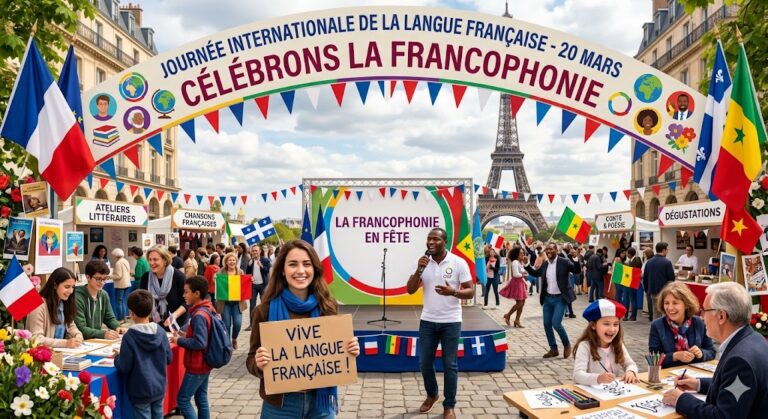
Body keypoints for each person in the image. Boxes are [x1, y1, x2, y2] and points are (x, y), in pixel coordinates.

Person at [247, 240, 360, 418]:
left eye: (306, 264)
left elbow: (335, 351)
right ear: (282, 270)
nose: (300, 271)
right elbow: (251, 359)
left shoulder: (327, 306)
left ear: (314, 269)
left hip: (320, 403)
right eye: (293, 264)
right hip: (280, 406)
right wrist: (259, 364)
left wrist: (350, 349)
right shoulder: (264, 311)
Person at [662, 282, 768, 417]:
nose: (701, 317)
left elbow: (723, 416)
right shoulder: (754, 339)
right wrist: (698, 384)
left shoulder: (739, 361)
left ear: (722, 316)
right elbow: (734, 387)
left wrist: (680, 399)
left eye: (704, 311)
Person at [406, 228, 473, 419]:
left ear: (445, 241)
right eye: (429, 239)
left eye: (435, 239)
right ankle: (432, 394)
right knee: (424, 362)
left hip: (451, 321)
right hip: (427, 320)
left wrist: (453, 292)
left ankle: (449, 405)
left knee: (449, 364)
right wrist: (419, 269)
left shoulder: (458, 262)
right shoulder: (422, 263)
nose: (431, 242)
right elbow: (410, 290)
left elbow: (470, 291)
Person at [114, 290, 173, 419]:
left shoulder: (129, 337)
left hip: (140, 389)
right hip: (159, 386)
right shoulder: (161, 332)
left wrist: (117, 357)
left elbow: (124, 366)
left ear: (131, 313)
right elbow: (169, 358)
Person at [170, 276, 216, 419]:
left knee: (183, 400)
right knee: (201, 398)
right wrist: (186, 333)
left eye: (186, 292)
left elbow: (200, 342)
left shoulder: (199, 315)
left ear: (197, 294)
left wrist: (179, 340)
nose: (184, 295)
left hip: (197, 364)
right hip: (205, 362)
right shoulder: (207, 308)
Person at [525, 243, 580, 359]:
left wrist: (575, 258)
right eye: (547, 249)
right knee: (546, 324)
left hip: (560, 298)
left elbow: (576, 270)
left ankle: (566, 344)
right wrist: (526, 264)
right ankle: (553, 348)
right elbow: (535, 273)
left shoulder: (564, 262)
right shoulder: (545, 264)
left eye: (551, 249)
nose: (548, 251)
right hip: (548, 298)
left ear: (556, 250)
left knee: (556, 323)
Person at [649, 282, 715, 368]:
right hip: (667, 377)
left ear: (686, 304)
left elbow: (712, 352)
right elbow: (653, 359)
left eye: (675, 303)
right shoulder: (657, 326)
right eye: (666, 303)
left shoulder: (699, 323)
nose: (670, 308)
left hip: (694, 375)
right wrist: (674, 356)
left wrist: (701, 353)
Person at [573, 300, 638, 385]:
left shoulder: (617, 344)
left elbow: (630, 364)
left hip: (613, 393)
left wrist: (631, 371)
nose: (612, 329)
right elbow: (577, 375)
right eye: (606, 324)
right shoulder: (585, 346)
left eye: (615, 324)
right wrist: (598, 378)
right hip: (592, 393)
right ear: (593, 325)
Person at [26, 267, 84, 348]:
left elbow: (71, 326)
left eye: (73, 287)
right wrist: (65, 343)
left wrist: (78, 336)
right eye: (67, 287)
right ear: (55, 285)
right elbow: (36, 339)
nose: (71, 291)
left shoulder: (64, 303)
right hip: (41, 355)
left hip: (60, 353)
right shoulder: (38, 305)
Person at [75, 260, 126, 339]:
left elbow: (109, 318)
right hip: (80, 341)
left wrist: (117, 327)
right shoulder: (78, 297)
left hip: (96, 342)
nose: (102, 282)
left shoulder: (103, 294)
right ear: (88, 277)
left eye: (105, 279)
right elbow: (80, 328)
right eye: (98, 279)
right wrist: (103, 334)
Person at [139, 245, 187, 327]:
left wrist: (173, 316)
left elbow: (187, 302)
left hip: (176, 325)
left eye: (155, 259)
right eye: (150, 259)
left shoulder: (178, 277)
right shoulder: (146, 277)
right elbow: (142, 301)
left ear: (165, 260)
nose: (151, 263)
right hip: (154, 325)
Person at [216, 252, 247, 350]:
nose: (232, 262)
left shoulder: (240, 272)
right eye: (230, 260)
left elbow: (244, 283)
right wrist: (215, 279)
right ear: (226, 262)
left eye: (233, 260)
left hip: (237, 303)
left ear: (236, 261)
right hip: (225, 303)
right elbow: (217, 284)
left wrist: (249, 281)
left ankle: (234, 338)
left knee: (237, 323)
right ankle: (228, 345)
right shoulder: (221, 272)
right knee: (227, 324)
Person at [642, 242, 675, 321]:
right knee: (665, 312)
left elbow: (645, 278)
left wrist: (647, 290)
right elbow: (671, 278)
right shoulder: (667, 262)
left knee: (656, 312)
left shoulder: (649, 262)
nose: (667, 251)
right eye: (667, 249)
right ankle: (665, 330)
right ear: (663, 250)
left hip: (652, 291)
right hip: (664, 292)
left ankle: (656, 329)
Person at [244, 244, 270, 332]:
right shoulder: (250, 261)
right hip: (253, 285)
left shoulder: (265, 260)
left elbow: (267, 271)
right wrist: (249, 265)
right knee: (252, 305)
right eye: (253, 251)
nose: (254, 252)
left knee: (264, 304)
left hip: (263, 285)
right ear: (251, 252)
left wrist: (261, 266)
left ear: (259, 251)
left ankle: (265, 322)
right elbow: (247, 274)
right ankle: (252, 324)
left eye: (256, 250)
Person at [502, 247, 529, 328]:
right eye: (520, 253)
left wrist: (526, 265)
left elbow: (525, 270)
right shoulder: (515, 262)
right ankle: (508, 315)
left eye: (523, 253)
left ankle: (517, 320)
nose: (522, 254)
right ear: (516, 254)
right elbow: (515, 274)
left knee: (522, 302)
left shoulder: (520, 262)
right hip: (516, 283)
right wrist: (524, 274)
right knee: (520, 303)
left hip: (520, 282)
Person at [110, 248, 132, 322]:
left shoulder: (118, 263)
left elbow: (118, 276)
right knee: (123, 301)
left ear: (116, 255)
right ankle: (125, 317)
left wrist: (110, 276)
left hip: (120, 285)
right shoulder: (125, 261)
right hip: (127, 283)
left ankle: (120, 318)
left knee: (118, 302)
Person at [623, 247, 642, 321]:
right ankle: (626, 315)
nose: (626, 254)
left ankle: (633, 316)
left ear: (630, 254)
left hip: (632, 282)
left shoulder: (636, 260)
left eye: (627, 253)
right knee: (627, 299)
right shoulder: (631, 260)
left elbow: (633, 270)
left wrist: (626, 265)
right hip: (629, 282)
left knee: (632, 299)